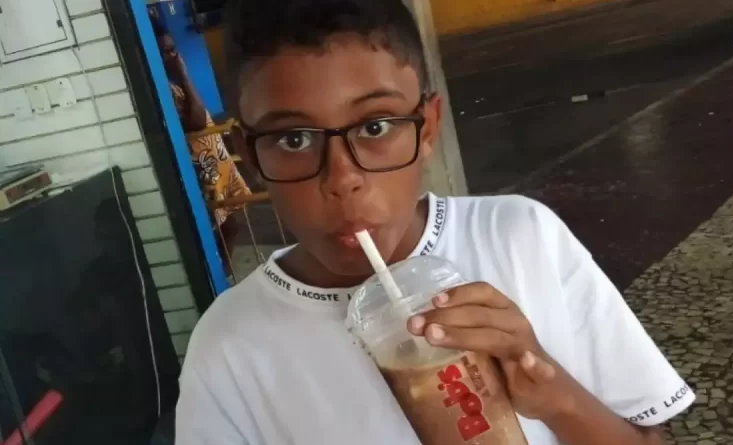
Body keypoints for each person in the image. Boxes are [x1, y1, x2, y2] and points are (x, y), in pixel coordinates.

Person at [175, 0, 695, 443]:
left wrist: (555, 395)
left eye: (375, 126)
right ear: (249, 155)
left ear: (427, 129)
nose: (343, 179)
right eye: (294, 139)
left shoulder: (521, 239)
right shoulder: (231, 347)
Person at [150, 15, 251, 271]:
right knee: (222, 229)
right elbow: (195, 122)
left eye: (172, 50)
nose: (172, 57)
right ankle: (220, 275)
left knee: (230, 225)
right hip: (202, 168)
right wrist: (183, 74)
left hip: (215, 161)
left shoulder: (172, 84)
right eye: (163, 53)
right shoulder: (165, 88)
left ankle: (223, 273)